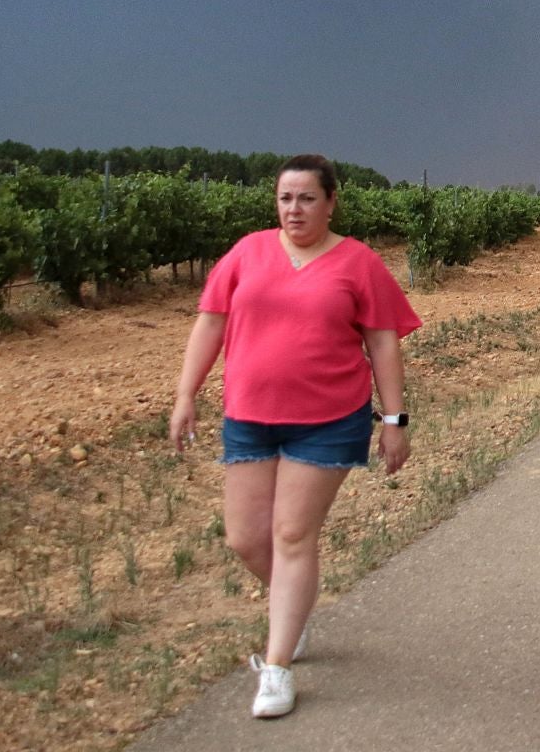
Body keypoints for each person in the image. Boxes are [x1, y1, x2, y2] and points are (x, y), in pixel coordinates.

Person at [169, 155, 420, 720]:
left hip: (330, 420)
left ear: (331, 202)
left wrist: (394, 421)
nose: (294, 209)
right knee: (245, 539)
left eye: (307, 198)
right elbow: (210, 320)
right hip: (249, 415)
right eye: (286, 198)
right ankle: (295, 606)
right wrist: (187, 395)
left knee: (290, 534)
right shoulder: (247, 252)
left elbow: (383, 343)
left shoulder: (358, 263)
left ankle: (277, 666)